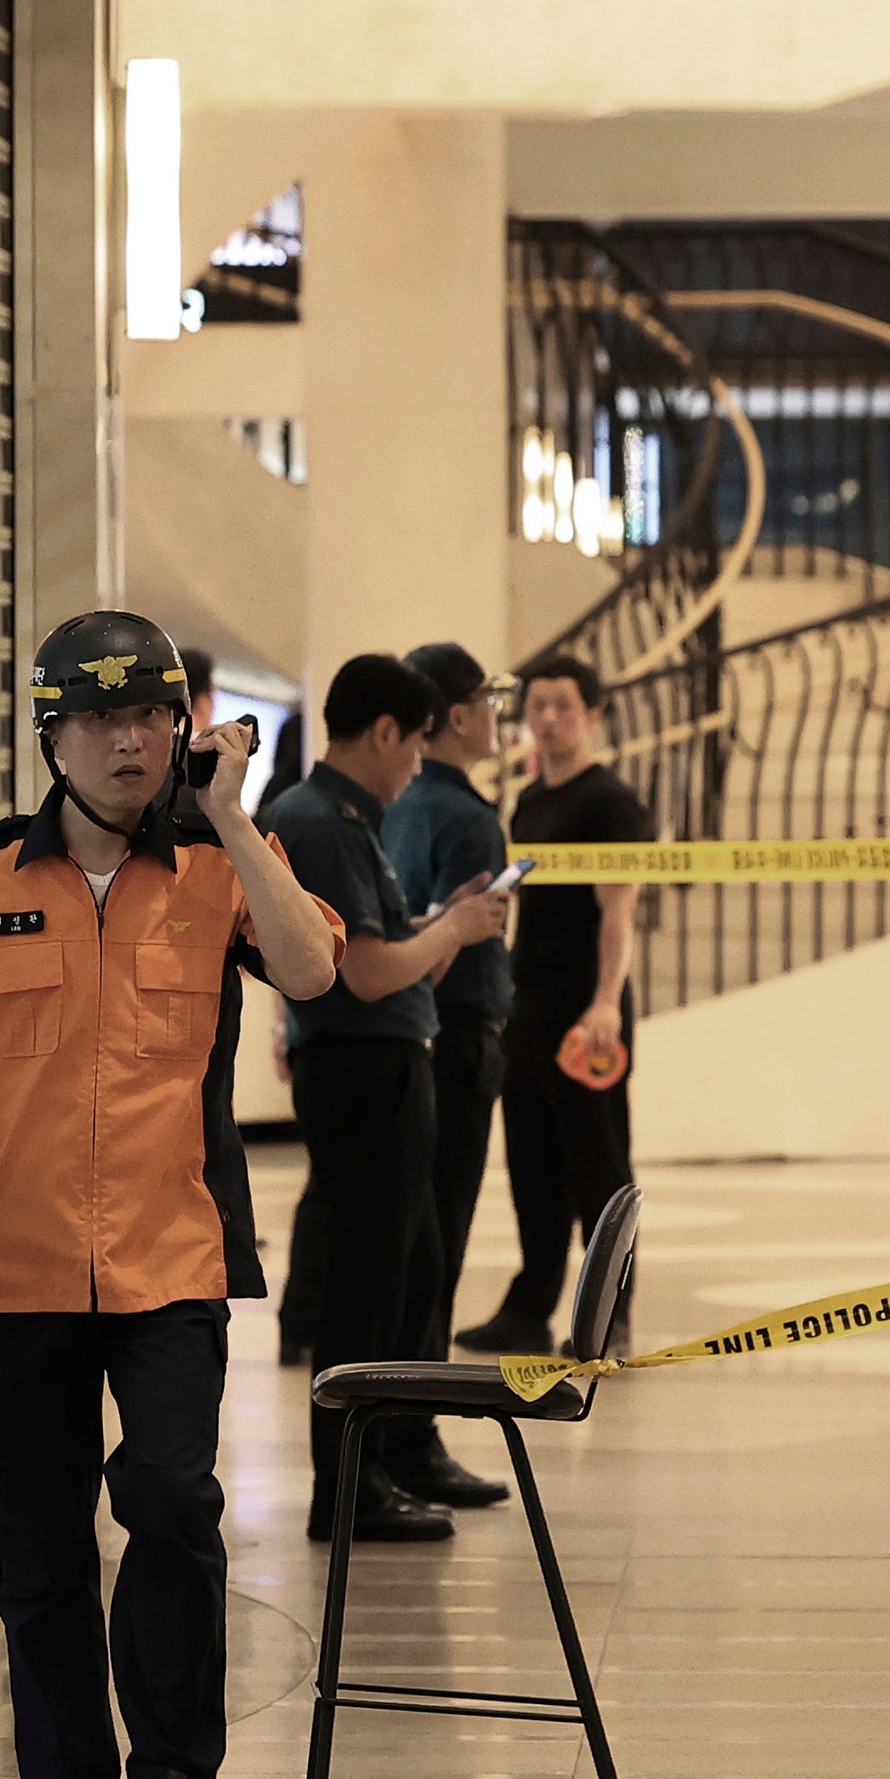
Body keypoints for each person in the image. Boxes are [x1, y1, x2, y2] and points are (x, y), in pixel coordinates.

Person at [0, 612, 343, 1779]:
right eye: (99, 716)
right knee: (38, 1541)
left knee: (175, 1507)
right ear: (52, 734)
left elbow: (311, 972)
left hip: (172, 1257)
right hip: (17, 1266)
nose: (130, 738)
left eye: (153, 714)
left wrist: (236, 818)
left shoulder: (217, 866)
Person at [260, 652, 511, 1543]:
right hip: (363, 1071)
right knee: (369, 1284)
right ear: (385, 732)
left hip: (387, 1065)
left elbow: (380, 946)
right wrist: (448, 928)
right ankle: (351, 1486)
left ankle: (388, 1459)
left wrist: (445, 928)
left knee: (408, 1268)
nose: (418, 765)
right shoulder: (318, 819)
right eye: (415, 744)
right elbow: (362, 973)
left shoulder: (347, 818)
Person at [463, 652, 649, 1357]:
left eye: (563, 706)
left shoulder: (610, 801)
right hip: (529, 1001)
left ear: (594, 714)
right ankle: (530, 1304)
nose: (547, 719)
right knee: (533, 1160)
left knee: (598, 1162)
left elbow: (618, 910)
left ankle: (611, 1316)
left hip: (585, 1004)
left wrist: (606, 1001)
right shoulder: (534, 799)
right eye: (537, 706)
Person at [380, 640, 517, 1506]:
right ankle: (414, 1434)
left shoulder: (394, 805)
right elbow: (445, 932)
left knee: (411, 1247)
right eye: (491, 700)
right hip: (456, 1033)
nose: (499, 716)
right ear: (457, 715)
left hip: (409, 1037)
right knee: (436, 1247)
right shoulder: (466, 815)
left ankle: (398, 1425)